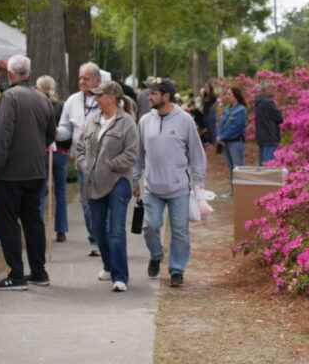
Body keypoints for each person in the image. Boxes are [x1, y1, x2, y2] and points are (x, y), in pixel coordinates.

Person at [0, 55, 56, 290]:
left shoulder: (9, 97)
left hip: (12, 172)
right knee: (33, 220)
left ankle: (16, 274)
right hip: (36, 170)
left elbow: (2, 136)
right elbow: (51, 134)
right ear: (29, 74)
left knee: (8, 221)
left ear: (10, 75)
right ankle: (39, 271)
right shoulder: (43, 98)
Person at [132, 77, 206, 287]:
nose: (149, 97)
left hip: (178, 188)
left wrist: (199, 183)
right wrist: (135, 179)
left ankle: (176, 269)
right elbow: (139, 153)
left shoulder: (184, 120)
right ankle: (156, 255)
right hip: (152, 188)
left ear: (165, 96)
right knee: (150, 227)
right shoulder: (145, 120)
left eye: (153, 93)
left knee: (180, 231)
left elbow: (197, 153)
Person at [75, 81, 139, 292]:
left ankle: (120, 277)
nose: (96, 99)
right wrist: (85, 165)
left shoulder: (127, 122)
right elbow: (80, 148)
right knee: (97, 228)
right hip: (94, 182)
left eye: (100, 96)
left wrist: (109, 165)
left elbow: (131, 154)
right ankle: (108, 265)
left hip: (118, 182)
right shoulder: (93, 120)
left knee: (116, 230)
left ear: (111, 97)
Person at [56, 62, 102, 256]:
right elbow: (65, 129)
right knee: (86, 204)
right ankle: (94, 239)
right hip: (82, 160)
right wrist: (53, 133)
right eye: (80, 78)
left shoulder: (106, 98)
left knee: (103, 201)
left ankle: (104, 239)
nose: (82, 82)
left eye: (86, 78)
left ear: (97, 81)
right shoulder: (72, 101)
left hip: (104, 160)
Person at [36, 75, 69, 243]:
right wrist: (67, 148)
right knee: (60, 191)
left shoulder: (37, 105)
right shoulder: (61, 106)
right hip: (59, 153)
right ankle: (61, 230)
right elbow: (67, 129)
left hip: (42, 152)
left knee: (41, 191)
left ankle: (39, 229)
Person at [215, 86, 248, 193]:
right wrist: (219, 136)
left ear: (235, 96)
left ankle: (241, 191)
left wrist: (222, 137)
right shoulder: (226, 109)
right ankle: (234, 190)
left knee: (238, 167)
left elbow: (236, 128)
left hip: (236, 142)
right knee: (230, 167)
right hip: (225, 143)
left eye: (229, 94)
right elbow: (221, 124)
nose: (227, 96)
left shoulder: (241, 110)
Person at [254, 80, 284, 165]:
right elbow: (279, 118)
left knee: (262, 165)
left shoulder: (258, 101)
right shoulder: (268, 102)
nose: (275, 90)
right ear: (266, 89)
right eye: (272, 88)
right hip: (269, 137)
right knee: (269, 166)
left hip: (261, 137)